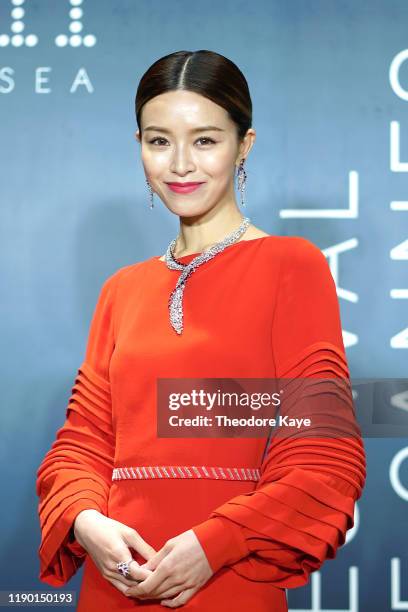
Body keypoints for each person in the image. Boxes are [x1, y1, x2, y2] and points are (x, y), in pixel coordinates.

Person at [36, 49, 366, 611]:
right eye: (158, 141)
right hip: (117, 580)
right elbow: (83, 442)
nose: (180, 164)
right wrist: (87, 520)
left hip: (227, 580)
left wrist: (215, 544)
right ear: (139, 146)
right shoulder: (122, 288)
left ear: (246, 145)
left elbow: (324, 453)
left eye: (205, 140)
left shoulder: (293, 265)